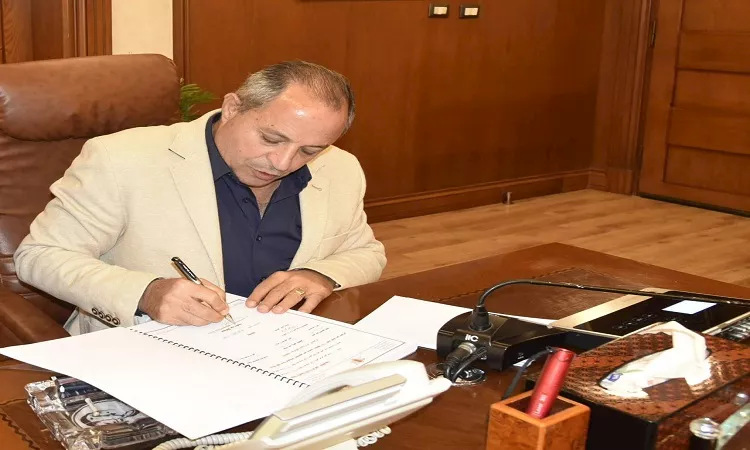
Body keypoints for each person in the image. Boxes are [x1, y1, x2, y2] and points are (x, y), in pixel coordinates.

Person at [14, 60, 386, 335]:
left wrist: (320, 275)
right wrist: (145, 293)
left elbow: (366, 252)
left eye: (310, 150)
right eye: (271, 139)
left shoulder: (341, 168)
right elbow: (40, 255)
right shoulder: (120, 158)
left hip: (286, 350)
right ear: (233, 108)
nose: (283, 163)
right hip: (149, 354)